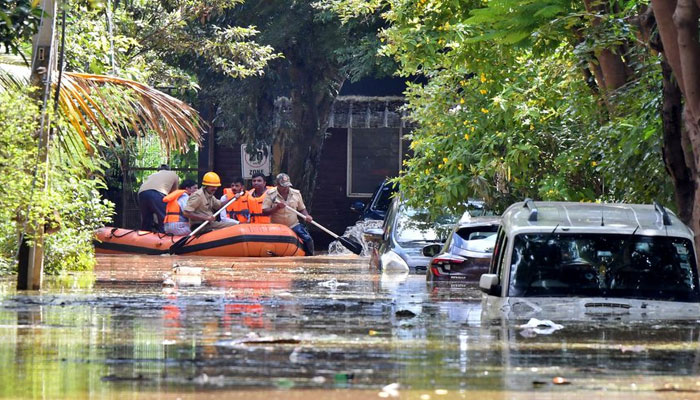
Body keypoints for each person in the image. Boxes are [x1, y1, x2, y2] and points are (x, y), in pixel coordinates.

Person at [262, 173, 314, 255]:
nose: (286, 188)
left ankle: (309, 258)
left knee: (308, 239)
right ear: (277, 184)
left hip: (293, 225)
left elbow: (302, 208)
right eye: (283, 186)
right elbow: (264, 212)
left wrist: (306, 216)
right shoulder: (270, 194)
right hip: (277, 226)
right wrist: (277, 207)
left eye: (287, 185)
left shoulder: (296, 193)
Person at [137, 164, 179, 232]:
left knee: (146, 218)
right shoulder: (174, 174)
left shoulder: (152, 175)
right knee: (163, 217)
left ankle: (144, 235)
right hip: (157, 193)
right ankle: (163, 235)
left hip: (142, 193)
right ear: (169, 169)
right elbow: (174, 194)